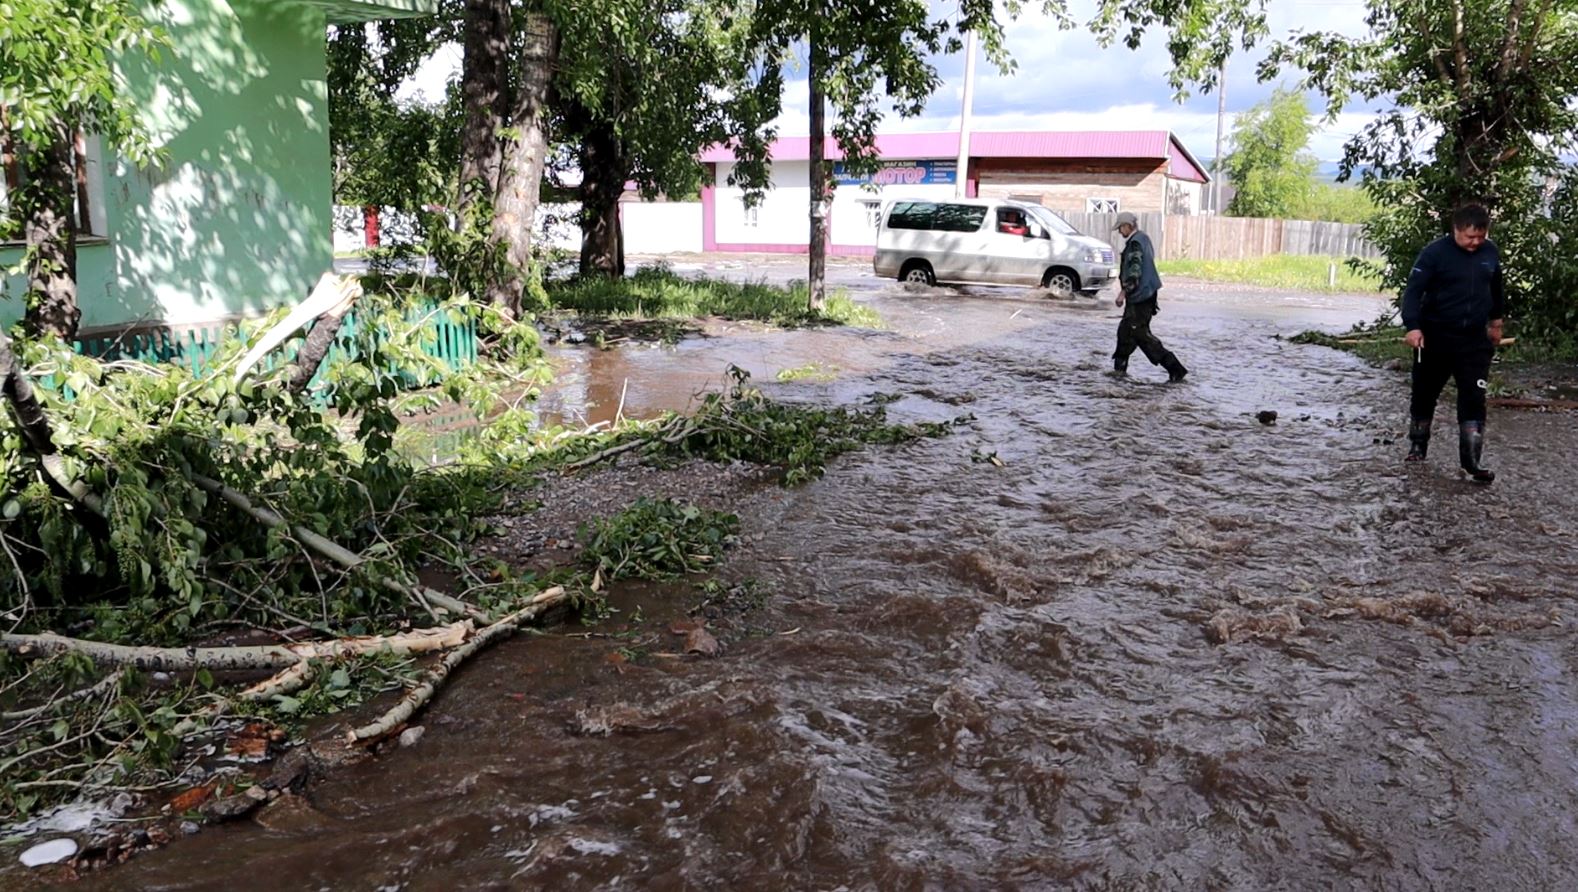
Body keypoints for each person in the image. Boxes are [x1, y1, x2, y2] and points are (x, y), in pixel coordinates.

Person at [1401, 202, 1505, 483]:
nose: (1475, 243)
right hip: (1434, 337)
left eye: (1480, 237)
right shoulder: (1434, 254)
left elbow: (1496, 288)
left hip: (1473, 340)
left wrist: (1496, 322)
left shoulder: (1490, 252)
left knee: (1473, 397)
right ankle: (1418, 447)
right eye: (1469, 237)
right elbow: (1412, 292)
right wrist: (1413, 326)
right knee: (1424, 393)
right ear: (1456, 229)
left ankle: (1472, 462)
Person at [1111, 211, 1187, 382]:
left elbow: (1135, 270)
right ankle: (1118, 375)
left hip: (1140, 297)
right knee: (1125, 333)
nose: (1119, 232)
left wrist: (1123, 292)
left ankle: (1175, 368)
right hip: (1146, 295)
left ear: (1127, 226)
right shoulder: (1144, 239)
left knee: (1141, 335)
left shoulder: (1135, 244)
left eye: (1120, 228)